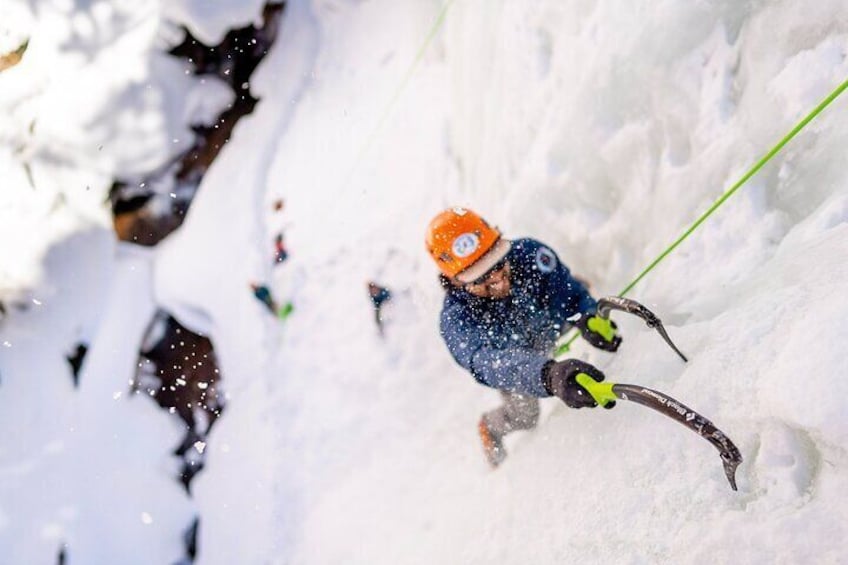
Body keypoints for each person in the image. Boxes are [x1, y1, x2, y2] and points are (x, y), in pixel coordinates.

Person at [426, 207, 622, 468]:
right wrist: (547, 375)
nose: (497, 279)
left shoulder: (529, 254)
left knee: (581, 288)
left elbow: (569, 293)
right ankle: (489, 427)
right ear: (455, 281)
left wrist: (586, 316)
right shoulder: (457, 323)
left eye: (496, 262)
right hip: (519, 364)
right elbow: (492, 364)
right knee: (525, 416)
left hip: (548, 324)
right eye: (482, 277)